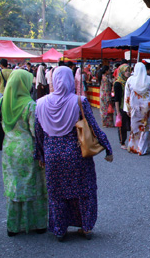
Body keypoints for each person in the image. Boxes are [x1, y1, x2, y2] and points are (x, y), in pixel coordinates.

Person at [34, 66, 113, 241]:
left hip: (52, 154)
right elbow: (93, 127)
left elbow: (38, 133)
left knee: (57, 193)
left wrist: (40, 155)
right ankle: (86, 228)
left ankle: (60, 229)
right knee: (84, 191)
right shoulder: (80, 101)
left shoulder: (40, 103)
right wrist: (108, 148)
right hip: (77, 154)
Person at [1, 69, 48, 236]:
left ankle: (13, 226)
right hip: (27, 148)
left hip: (9, 148)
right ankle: (38, 223)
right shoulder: (30, 105)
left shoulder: (4, 102)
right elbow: (36, 132)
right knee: (34, 185)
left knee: (14, 186)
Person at [125, 63, 150, 156]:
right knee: (145, 127)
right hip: (147, 107)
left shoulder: (130, 80)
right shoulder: (149, 80)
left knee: (135, 127)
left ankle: (133, 146)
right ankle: (142, 148)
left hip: (135, 107)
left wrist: (127, 108)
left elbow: (127, 95)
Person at [114, 64, 131, 149]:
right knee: (122, 126)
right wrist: (118, 112)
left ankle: (132, 142)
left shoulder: (130, 81)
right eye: (126, 71)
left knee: (131, 124)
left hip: (130, 106)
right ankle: (122, 142)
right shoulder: (118, 84)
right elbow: (116, 99)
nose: (128, 73)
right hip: (121, 106)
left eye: (129, 70)